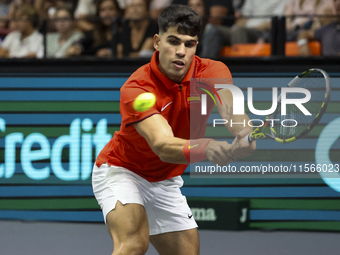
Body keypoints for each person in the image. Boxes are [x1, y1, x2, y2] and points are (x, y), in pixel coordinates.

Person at [92, 4, 256, 255]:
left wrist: (245, 135)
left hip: (165, 180)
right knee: (134, 244)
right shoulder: (137, 88)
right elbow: (163, 145)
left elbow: (232, 113)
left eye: (189, 44)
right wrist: (207, 147)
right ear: (157, 42)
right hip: (122, 170)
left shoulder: (213, 72)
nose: (181, 52)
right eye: (173, 41)